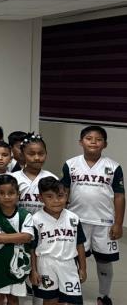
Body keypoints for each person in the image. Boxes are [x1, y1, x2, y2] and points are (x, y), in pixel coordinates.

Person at [61, 125, 124, 305]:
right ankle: (71, 292)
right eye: (89, 138)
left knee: (104, 260)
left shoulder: (113, 167)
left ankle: (104, 296)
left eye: (98, 139)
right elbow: (63, 191)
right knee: (73, 259)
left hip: (104, 222)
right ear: (81, 142)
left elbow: (119, 196)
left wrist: (118, 223)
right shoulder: (70, 164)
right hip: (76, 220)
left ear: (105, 144)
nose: (94, 142)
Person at [30, 177, 87, 305]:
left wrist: (83, 268)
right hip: (46, 264)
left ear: (66, 195)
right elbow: (32, 248)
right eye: (49, 196)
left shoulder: (74, 218)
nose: (56, 201)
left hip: (69, 264)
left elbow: (80, 245)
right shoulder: (35, 220)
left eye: (60, 196)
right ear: (40, 198)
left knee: (74, 300)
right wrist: (33, 270)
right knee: (50, 300)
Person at [0, 174, 34, 304]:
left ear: (18, 194)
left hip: (18, 261)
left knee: (14, 297)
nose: (6, 197)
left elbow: (27, 236)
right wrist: (19, 237)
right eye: (1, 193)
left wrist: (4, 237)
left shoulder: (25, 215)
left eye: (11, 193)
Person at [10, 134, 56, 214]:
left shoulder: (52, 178)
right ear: (22, 155)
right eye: (31, 154)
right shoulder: (13, 178)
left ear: (46, 154)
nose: (37, 158)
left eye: (41, 154)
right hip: (19, 223)